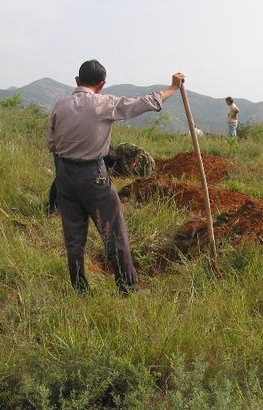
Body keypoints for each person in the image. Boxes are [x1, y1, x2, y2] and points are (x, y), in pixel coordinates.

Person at [47, 59, 184, 294]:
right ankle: (127, 288)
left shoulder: (60, 106)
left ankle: (80, 290)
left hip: (65, 178)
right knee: (113, 232)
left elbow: (52, 144)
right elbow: (145, 102)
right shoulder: (104, 103)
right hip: (93, 177)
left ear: (77, 81)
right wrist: (173, 88)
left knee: (73, 237)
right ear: (102, 84)